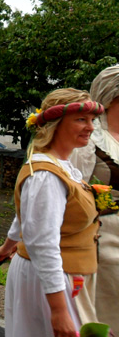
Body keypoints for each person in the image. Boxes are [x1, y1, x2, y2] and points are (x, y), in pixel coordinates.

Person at [0, 88, 103, 337]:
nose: (91, 127)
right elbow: (43, 244)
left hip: (58, 275)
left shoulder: (60, 166)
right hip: (49, 280)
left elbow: (27, 217)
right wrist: (58, 309)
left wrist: (8, 246)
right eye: (81, 119)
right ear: (56, 124)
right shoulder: (45, 176)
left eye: (92, 120)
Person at [69, 65, 119, 333]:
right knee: (102, 308)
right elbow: (71, 190)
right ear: (111, 96)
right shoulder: (90, 141)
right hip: (101, 238)